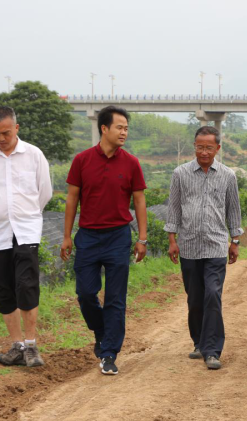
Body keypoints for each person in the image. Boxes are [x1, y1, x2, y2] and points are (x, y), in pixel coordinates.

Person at [60, 106, 147, 376]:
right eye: (119, 127)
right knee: (85, 293)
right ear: (104, 129)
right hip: (87, 236)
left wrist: (142, 238)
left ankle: (109, 353)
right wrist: (66, 236)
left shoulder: (131, 162)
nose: (124, 132)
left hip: (119, 236)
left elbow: (139, 200)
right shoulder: (82, 160)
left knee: (115, 298)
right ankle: (100, 330)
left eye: (126, 128)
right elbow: (72, 198)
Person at [0, 105, 52, 368]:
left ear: (16, 128)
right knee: (2, 290)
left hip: (26, 231)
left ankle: (31, 346)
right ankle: (16, 345)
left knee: (26, 286)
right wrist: (1, 215)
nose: (0, 138)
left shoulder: (34, 155)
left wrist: (26, 215)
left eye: (5, 132)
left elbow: (45, 193)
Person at [164, 126, 243, 370]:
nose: (204, 152)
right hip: (188, 245)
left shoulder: (228, 175)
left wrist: (235, 240)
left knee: (212, 296)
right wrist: (172, 240)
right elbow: (174, 208)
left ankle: (212, 350)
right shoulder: (181, 173)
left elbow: (233, 210)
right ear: (195, 147)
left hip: (217, 245)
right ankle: (198, 341)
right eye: (200, 147)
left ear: (218, 148)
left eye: (209, 147)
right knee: (195, 298)